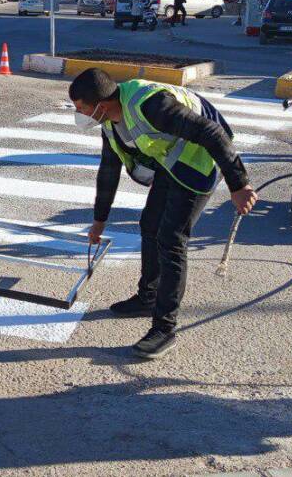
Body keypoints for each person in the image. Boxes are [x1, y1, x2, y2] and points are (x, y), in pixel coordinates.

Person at [69, 68, 257, 359]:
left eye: (81, 108)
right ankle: (148, 297)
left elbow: (213, 132)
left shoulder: (151, 106)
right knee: (150, 225)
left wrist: (239, 184)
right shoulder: (109, 122)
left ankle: (164, 329)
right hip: (172, 161)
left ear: (101, 105)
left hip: (202, 160)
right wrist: (98, 221)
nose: (79, 114)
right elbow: (108, 170)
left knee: (171, 240)